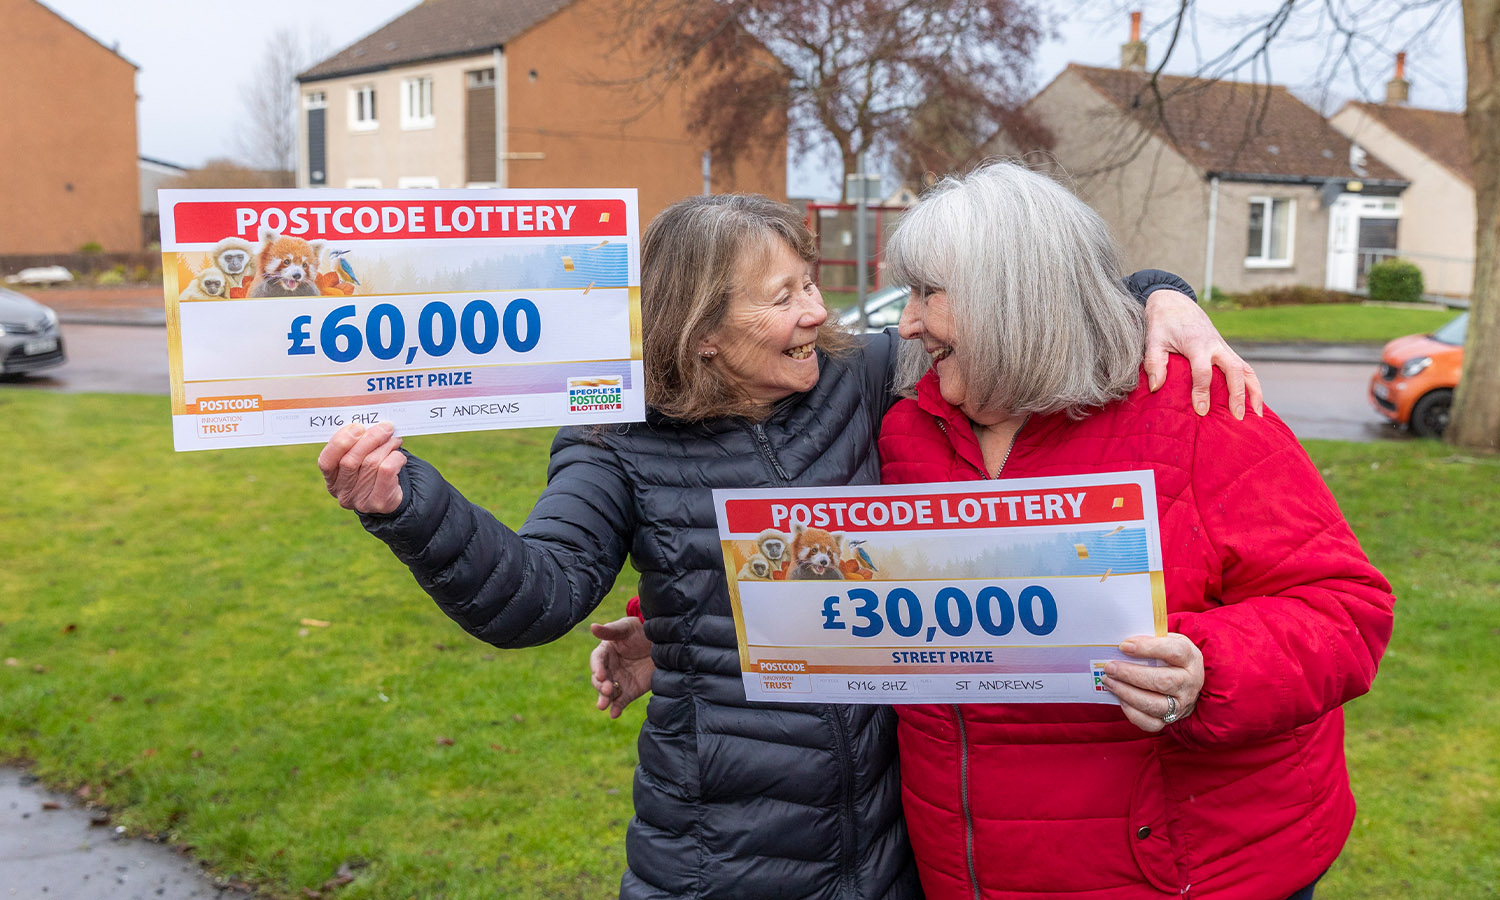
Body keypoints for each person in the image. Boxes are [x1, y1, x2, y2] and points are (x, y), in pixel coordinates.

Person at [318, 192, 1259, 900]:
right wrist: (408, 504)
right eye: (783, 297)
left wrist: (1156, 293)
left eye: (811, 283)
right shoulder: (615, 441)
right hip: (724, 849)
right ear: (706, 334)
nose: (817, 311)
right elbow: (538, 595)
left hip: (888, 839)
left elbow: (1015, 309)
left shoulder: (860, 379)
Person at [869, 163, 1393, 899]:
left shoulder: (1196, 408)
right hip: (972, 871)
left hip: (1184, 870)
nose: (907, 324)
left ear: (1012, 295)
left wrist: (1207, 672)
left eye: (928, 294)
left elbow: (1346, 608)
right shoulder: (905, 429)